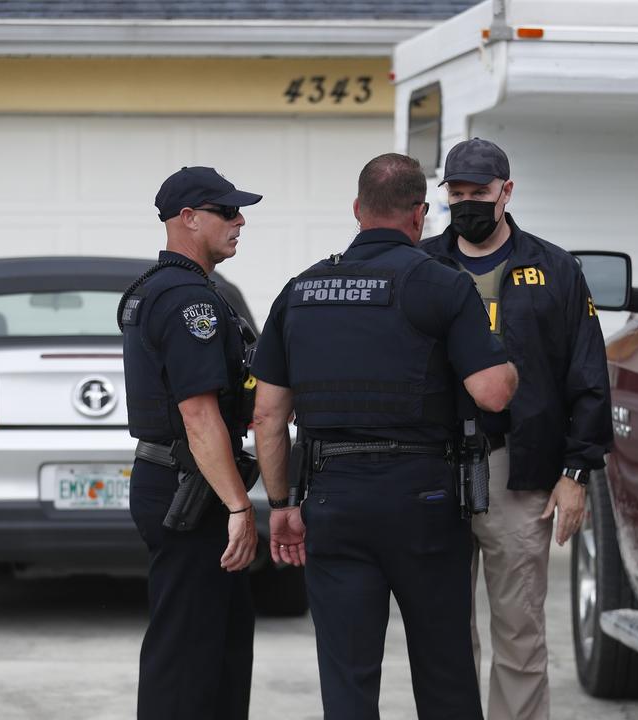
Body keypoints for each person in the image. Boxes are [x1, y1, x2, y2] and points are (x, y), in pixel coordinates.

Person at [251, 153, 519, 720]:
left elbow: (268, 418)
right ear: (420, 215)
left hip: (332, 498)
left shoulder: (300, 292)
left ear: (356, 210)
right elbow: (494, 393)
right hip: (422, 499)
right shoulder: (443, 287)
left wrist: (281, 506)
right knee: (444, 667)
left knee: (347, 677)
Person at [419, 138, 615, 720]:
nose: (467, 203)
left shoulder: (554, 269)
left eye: (479, 192)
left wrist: (576, 472)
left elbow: (587, 375)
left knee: (520, 637)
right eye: (456, 194)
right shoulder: (423, 264)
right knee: (445, 638)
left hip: (517, 469)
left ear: (507, 191)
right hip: (436, 466)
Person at [117, 166, 263, 720]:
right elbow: (198, 415)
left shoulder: (171, 288)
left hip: (184, 483)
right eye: (228, 212)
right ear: (189, 219)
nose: (240, 220)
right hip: (193, 491)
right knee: (187, 656)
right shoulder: (187, 300)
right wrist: (238, 506)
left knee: (220, 647)